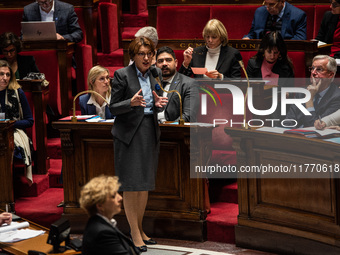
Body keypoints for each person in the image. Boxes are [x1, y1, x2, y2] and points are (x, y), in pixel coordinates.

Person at [109, 37, 167, 252]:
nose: (146, 58)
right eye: (141, 54)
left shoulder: (156, 73)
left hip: (149, 131)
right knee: (132, 186)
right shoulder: (122, 75)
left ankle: (140, 228)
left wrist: (160, 104)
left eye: (149, 54)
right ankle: (134, 232)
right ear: (133, 56)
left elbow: (156, 101)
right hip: (129, 135)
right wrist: (129, 103)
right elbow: (113, 107)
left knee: (144, 185)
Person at [80, 175, 140, 255]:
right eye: (113, 196)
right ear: (100, 205)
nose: (120, 198)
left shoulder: (100, 222)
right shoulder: (102, 233)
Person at [0, 60, 34, 183]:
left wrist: (10, 124)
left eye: (8, 75)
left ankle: (7, 190)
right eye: (1, 74)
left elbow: (29, 121)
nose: (5, 78)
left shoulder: (17, 92)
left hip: (14, 132)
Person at [285, 55, 340, 127]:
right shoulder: (302, 92)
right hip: (294, 135)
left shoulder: (336, 97)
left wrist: (309, 100)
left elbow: (316, 127)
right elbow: (288, 122)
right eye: (312, 68)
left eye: (319, 69)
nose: (313, 73)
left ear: (330, 75)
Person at [155, 46, 199, 122]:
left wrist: (169, 126)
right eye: (160, 61)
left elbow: (188, 115)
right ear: (156, 65)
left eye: (168, 60)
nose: (164, 64)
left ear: (176, 63)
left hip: (174, 131)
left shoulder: (189, 84)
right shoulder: (150, 82)